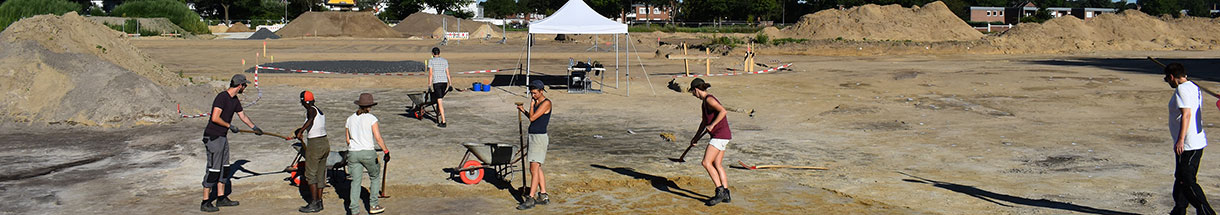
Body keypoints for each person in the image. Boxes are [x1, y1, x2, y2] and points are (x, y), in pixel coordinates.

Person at [200, 74, 263, 212]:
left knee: (225, 167)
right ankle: (205, 201)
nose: (245, 88)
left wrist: (254, 128)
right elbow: (215, 118)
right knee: (214, 169)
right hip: (213, 137)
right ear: (240, 85)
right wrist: (230, 126)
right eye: (245, 85)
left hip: (222, 137)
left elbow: (243, 116)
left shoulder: (235, 100)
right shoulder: (222, 98)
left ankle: (221, 198)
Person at [1164, 63, 1216, 215]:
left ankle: (1206, 212)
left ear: (1172, 77)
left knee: (1187, 181)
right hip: (1194, 141)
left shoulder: (1182, 89)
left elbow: (1186, 114)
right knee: (1181, 177)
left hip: (1188, 143)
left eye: (1167, 79)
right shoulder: (1193, 86)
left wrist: (1180, 140)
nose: (1168, 82)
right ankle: (1179, 210)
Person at [687, 78, 733, 206]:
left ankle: (720, 192)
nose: (693, 95)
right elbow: (703, 123)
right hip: (723, 135)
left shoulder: (709, 99)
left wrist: (712, 125)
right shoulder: (704, 103)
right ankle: (726, 193)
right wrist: (695, 138)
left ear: (696, 90)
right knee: (717, 164)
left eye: (692, 92)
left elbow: (723, 111)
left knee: (706, 162)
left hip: (720, 135)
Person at [345, 93, 391, 214]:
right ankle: (373, 205)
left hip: (353, 153)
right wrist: (386, 151)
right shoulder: (371, 118)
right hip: (368, 152)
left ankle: (354, 210)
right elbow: (378, 138)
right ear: (370, 106)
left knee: (355, 182)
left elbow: (348, 140)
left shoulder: (350, 119)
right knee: (374, 177)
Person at [516, 80, 552, 210]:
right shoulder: (537, 102)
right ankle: (543, 194)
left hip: (539, 138)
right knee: (537, 167)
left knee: (533, 168)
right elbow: (533, 118)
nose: (533, 95)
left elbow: (532, 118)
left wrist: (531, 106)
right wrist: (524, 110)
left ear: (541, 91)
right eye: (531, 93)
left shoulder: (546, 103)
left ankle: (530, 198)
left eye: (535, 93)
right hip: (533, 137)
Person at [294, 90, 328, 213]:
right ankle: (319, 203)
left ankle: (314, 203)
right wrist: (299, 131)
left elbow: (311, 119)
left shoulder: (311, 110)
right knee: (320, 174)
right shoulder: (319, 110)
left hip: (315, 144)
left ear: (304, 101)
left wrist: (301, 131)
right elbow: (313, 124)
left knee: (310, 175)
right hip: (324, 143)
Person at [428, 47, 452, 128]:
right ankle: (438, 115)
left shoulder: (431, 61)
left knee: (440, 101)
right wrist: (450, 84)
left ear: (432, 53)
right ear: (439, 53)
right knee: (439, 100)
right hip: (444, 83)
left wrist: (429, 85)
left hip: (437, 83)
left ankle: (443, 121)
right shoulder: (445, 61)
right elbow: (448, 73)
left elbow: (431, 74)